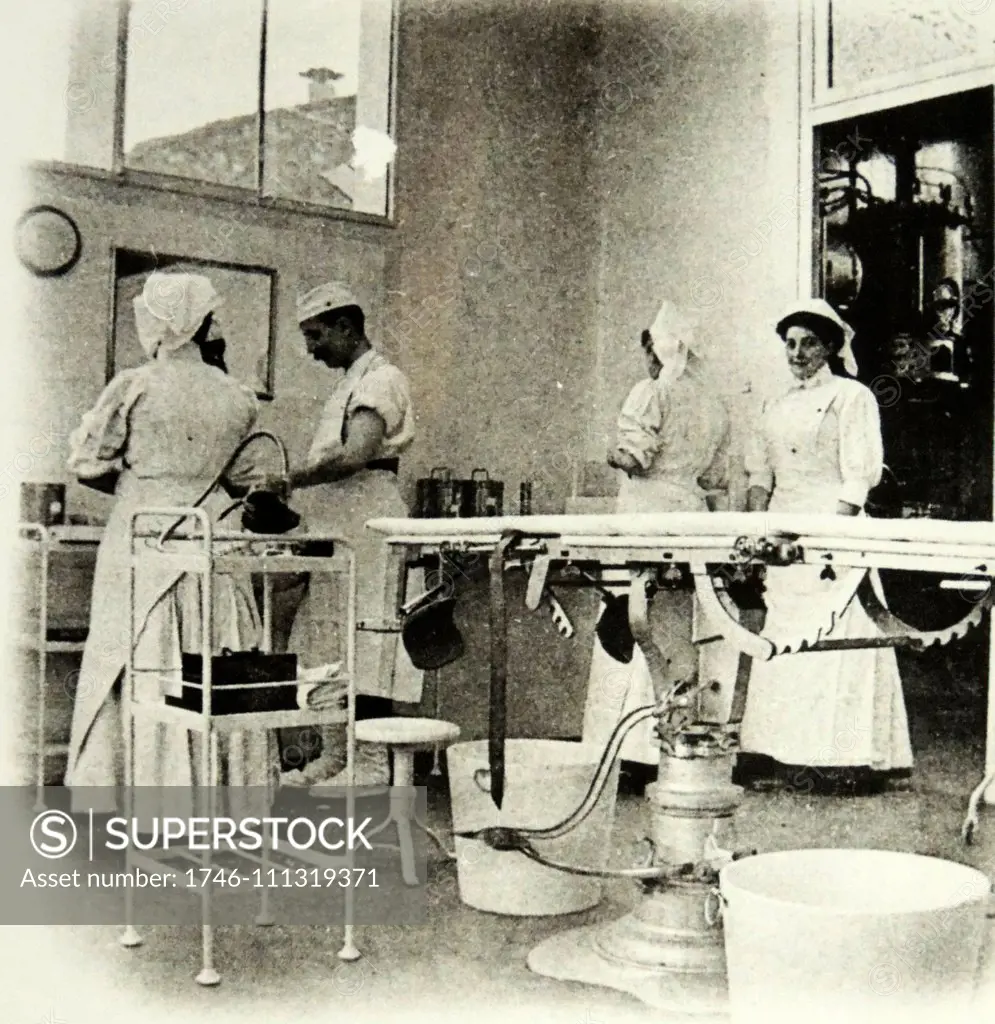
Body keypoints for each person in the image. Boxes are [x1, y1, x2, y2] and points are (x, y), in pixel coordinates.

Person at [65, 272, 275, 815]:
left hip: (143, 531)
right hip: (212, 534)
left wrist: (144, 487)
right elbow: (250, 477)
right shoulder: (238, 394)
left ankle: (130, 797)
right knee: (213, 655)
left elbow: (87, 463)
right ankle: (227, 803)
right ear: (204, 323)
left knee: (138, 652)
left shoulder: (133, 384)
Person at [739, 297, 914, 794]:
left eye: (808, 343)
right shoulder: (773, 403)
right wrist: (756, 536)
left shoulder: (852, 396)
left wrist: (833, 541)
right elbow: (760, 475)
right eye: (790, 344)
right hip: (782, 530)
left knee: (838, 637)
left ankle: (843, 758)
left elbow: (860, 475)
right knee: (785, 637)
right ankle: (776, 750)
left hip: (834, 528)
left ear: (831, 347)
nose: (797, 353)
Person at [256, 282, 421, 792]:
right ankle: (334, 755)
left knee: (367, 645)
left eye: (315, 335)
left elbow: (355, 455)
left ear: (346, 328)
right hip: (339, 532)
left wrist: (290, 480)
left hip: (370, 531)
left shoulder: (383, 379)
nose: (310, 348)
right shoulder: (349, 383)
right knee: (326, 642)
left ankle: (369, 765)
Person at [582, 300, 731, 770]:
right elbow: (715, 479)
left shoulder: (650, 392)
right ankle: (674, 738)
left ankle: (625, 748)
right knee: (675, 626)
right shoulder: (713, 403)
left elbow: (635, 458)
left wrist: (609, 454)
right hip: (691, 519)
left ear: (658, 350)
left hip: (646, 516)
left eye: (648, 349)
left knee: (628, 614)